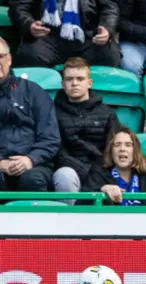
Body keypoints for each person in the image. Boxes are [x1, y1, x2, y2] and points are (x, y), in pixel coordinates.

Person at [53, 57, 119, 204]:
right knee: (64, 175)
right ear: (63, 84)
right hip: (70, 168)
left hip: (101, 169)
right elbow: (57, 150)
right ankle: (68, 224)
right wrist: (83, 170)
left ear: (89, 83)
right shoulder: (53, 112)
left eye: (80, 78)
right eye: (69, 79)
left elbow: (113, 146)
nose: (74, 83)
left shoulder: (107, 113)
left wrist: (97, 171)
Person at [0, 37, 60, 193]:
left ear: (9, 59)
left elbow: (50, 138)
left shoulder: (34, 92)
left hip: (34, 165)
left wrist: (30, 159)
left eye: (0, 56)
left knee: (33, 180)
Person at [82, 126, 146, 205]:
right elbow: (81, 204)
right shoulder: (98, 173)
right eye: (117, 145)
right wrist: (101, 191)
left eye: (128, 145)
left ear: (135, 151)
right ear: (111, 151)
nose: (122, 149)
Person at [9, 0, 120, 67]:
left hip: (87, 37)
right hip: (48, 38)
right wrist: (29, 25)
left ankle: (94, 102)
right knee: (29, 53)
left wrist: (107, 28)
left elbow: (110, 7)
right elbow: (19, 7)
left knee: (109, 54)